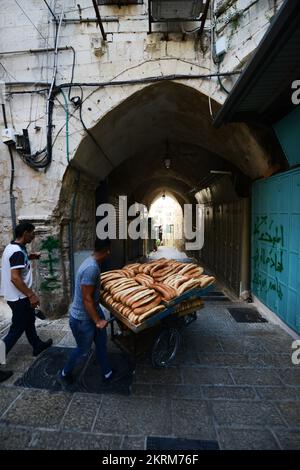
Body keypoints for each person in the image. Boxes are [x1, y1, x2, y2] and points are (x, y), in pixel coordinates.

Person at [57, 238, 116, 390]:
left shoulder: (92, 262)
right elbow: (86, 299)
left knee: (101, 343)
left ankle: (107, 373)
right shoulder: (91, 268)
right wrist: (97, 321)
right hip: (83, 319)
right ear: (107, 250)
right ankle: (64, 373)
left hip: (93, 313)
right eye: (109, 250)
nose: (110, 253)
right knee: (83, 349)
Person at [0, 222, 53, 381]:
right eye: (32, 233)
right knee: (15, 332)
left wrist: (31, 257)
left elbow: (17, 261)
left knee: (29, 321)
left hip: (14, 296)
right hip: (20, 297)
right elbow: (15, 278)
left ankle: (37, 345)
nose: (33, 236)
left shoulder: (13, 248)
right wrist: (31, 295)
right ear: (25, 233)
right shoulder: (16, 252)